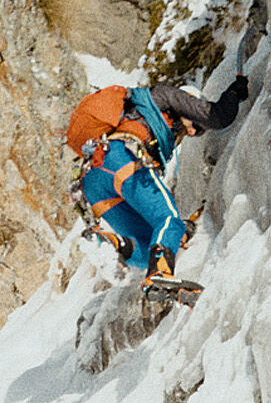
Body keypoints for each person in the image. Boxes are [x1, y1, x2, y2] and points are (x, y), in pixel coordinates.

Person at [70, 73, 249, 286]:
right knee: (169, 219)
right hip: (120, 158)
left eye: (199, 132)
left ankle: (109, 243)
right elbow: (217, 116)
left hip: (92, 180)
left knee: (148, 249)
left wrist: (184, 230)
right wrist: (235, 91)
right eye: (197, 124)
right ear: (189, 103)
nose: (193, 132)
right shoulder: (166, 96)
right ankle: (161, 275)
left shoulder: (141, 111)